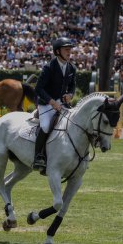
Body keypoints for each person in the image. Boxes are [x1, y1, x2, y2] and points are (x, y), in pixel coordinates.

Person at [32, 37, 76, 172]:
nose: (69, 52)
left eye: (70, 50)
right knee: (45, 126)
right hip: (46, 104)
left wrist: (70, 95)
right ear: (58, 51)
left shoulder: (72, 68)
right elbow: (39, 88)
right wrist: (51, 102)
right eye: (66, 50)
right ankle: (38, 156)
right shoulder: (49, 67)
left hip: (62, 104)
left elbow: (73, 86)